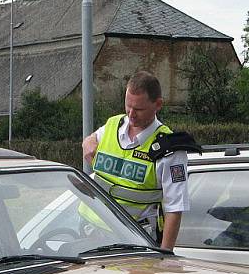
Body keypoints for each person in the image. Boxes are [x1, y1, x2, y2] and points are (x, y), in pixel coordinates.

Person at [81, 71, 199, 250]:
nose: (131, 114)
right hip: (90, 234)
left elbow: (175, 208)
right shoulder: (113, 125)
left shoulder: (169, 149)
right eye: (128, 106)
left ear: (158, 104)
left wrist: (164, 255)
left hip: (134, 242)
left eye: (139, 109)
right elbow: (91, 141)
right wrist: (88, 141)